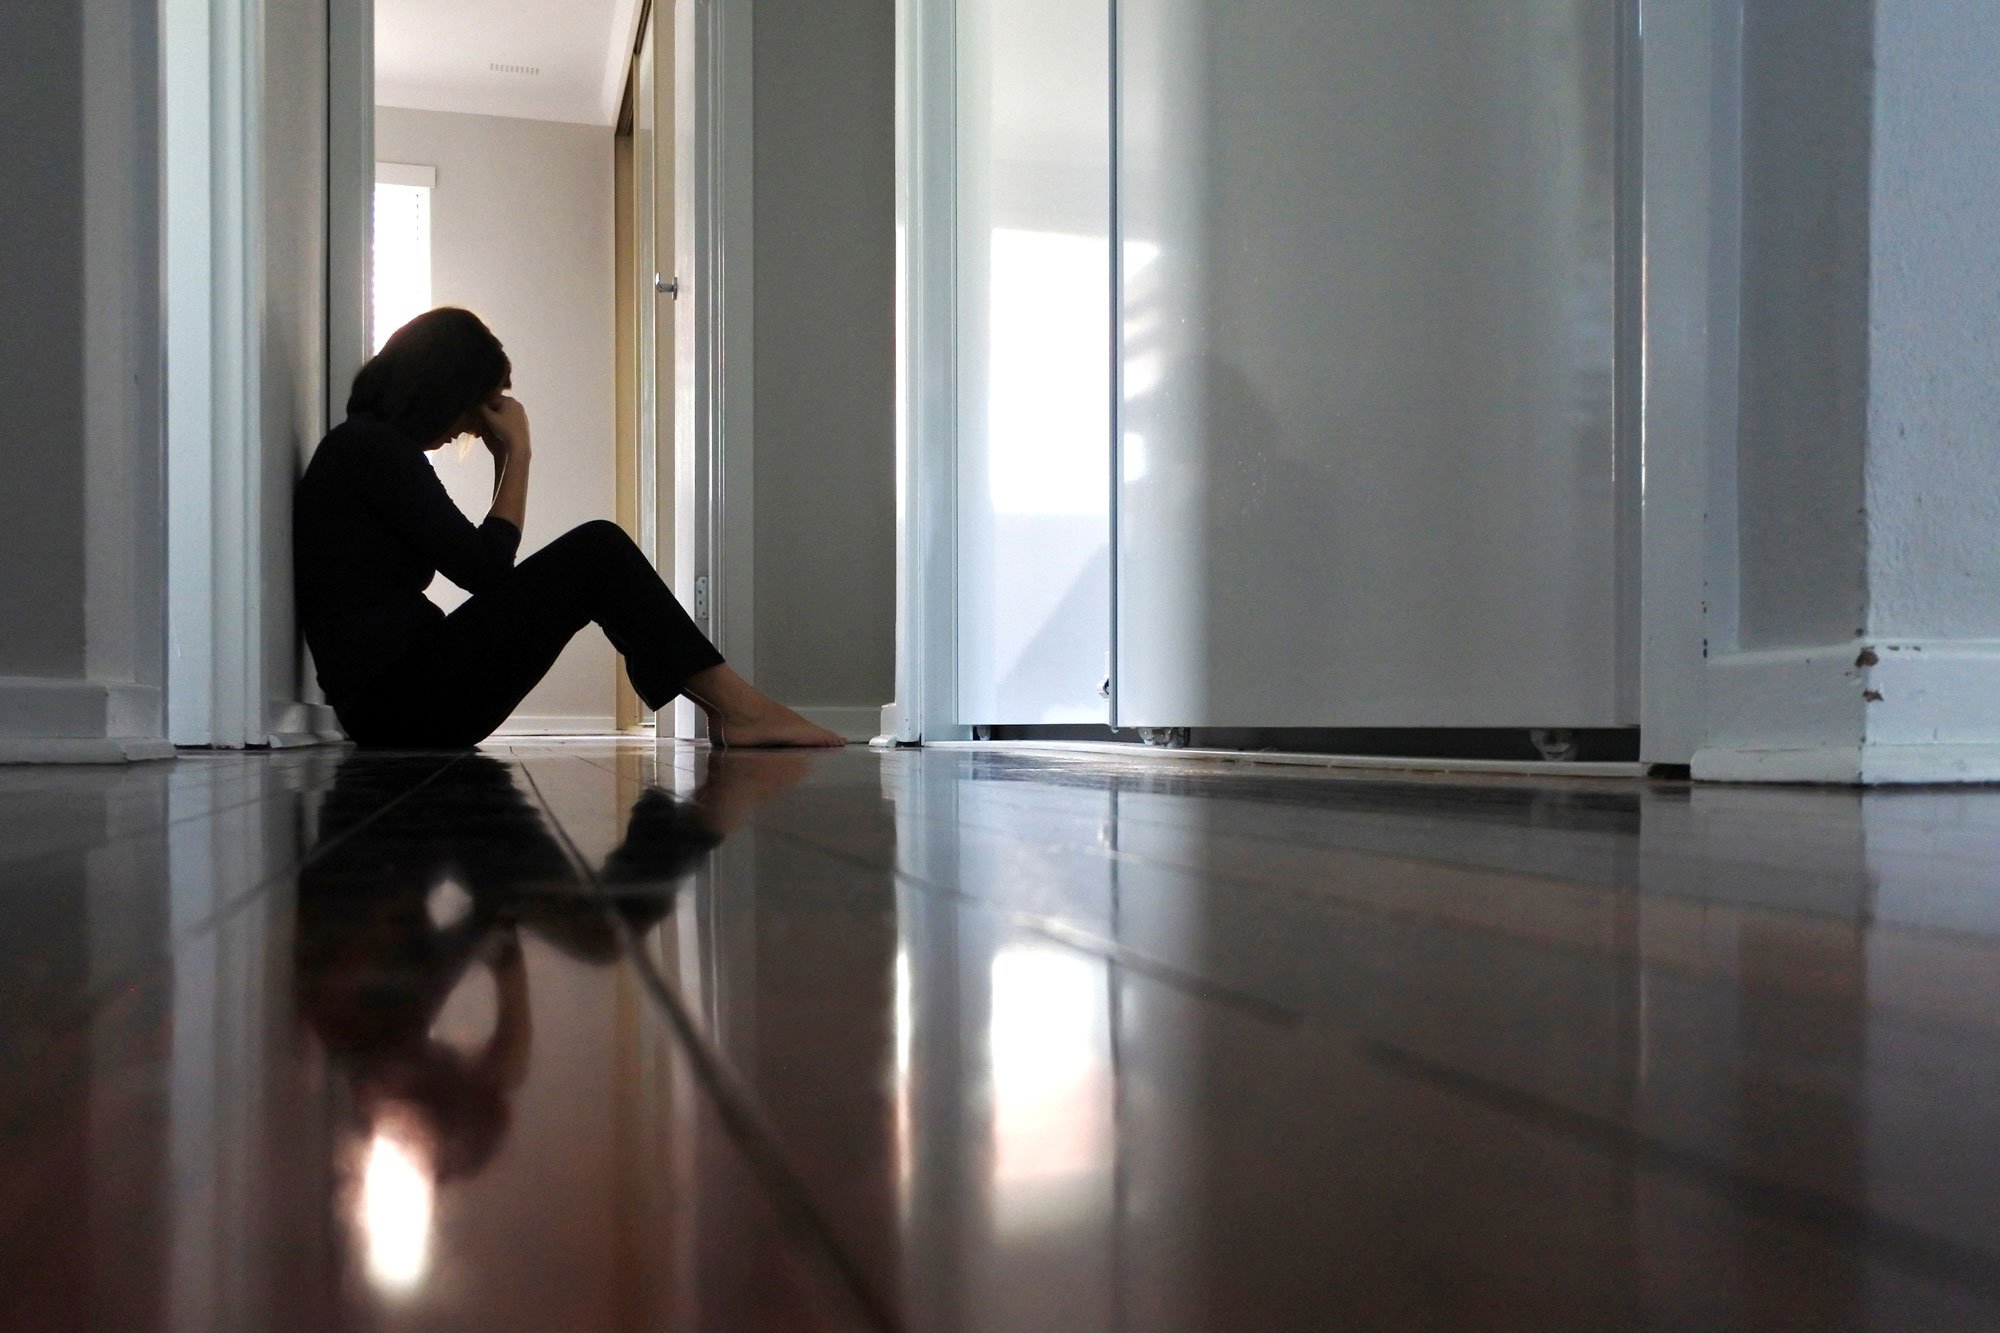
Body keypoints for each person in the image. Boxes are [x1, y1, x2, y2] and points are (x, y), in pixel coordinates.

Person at [294, 307, 843, 749]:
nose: (468, 427)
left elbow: (481, 568)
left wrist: (510, 456)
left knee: (596, 551)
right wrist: (518, 454)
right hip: (399, 705)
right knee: (596, 549)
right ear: (444, 390)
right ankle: (738, 708)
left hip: (399, 701)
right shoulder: (372, 449)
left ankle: (731, 708)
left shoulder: (365, 448)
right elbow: (485, 570)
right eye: (476, 408)